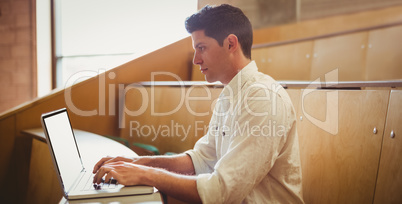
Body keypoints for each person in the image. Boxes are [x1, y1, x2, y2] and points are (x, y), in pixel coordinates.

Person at [93, 4, 304, 203]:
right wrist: (138, 163)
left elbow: (221, 191)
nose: (196, 59)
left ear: (231, 44)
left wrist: (146, 174)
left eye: (201, 47)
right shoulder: (231, 93)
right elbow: (201, 159)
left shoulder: (263, 99)